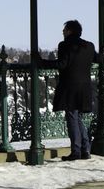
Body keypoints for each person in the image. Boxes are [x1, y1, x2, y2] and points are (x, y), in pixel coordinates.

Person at [39, 20, 98, 161]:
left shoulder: (64, 45)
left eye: (64, 30)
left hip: (70, 87)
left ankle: (76, 151)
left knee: (72, 117)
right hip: (85, 87)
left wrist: (41, 62)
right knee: (78, 118)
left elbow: (62, 64)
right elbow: (98, 59)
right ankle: (85, 149)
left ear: (70, 31)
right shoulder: (89, 46)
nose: (63, 32)